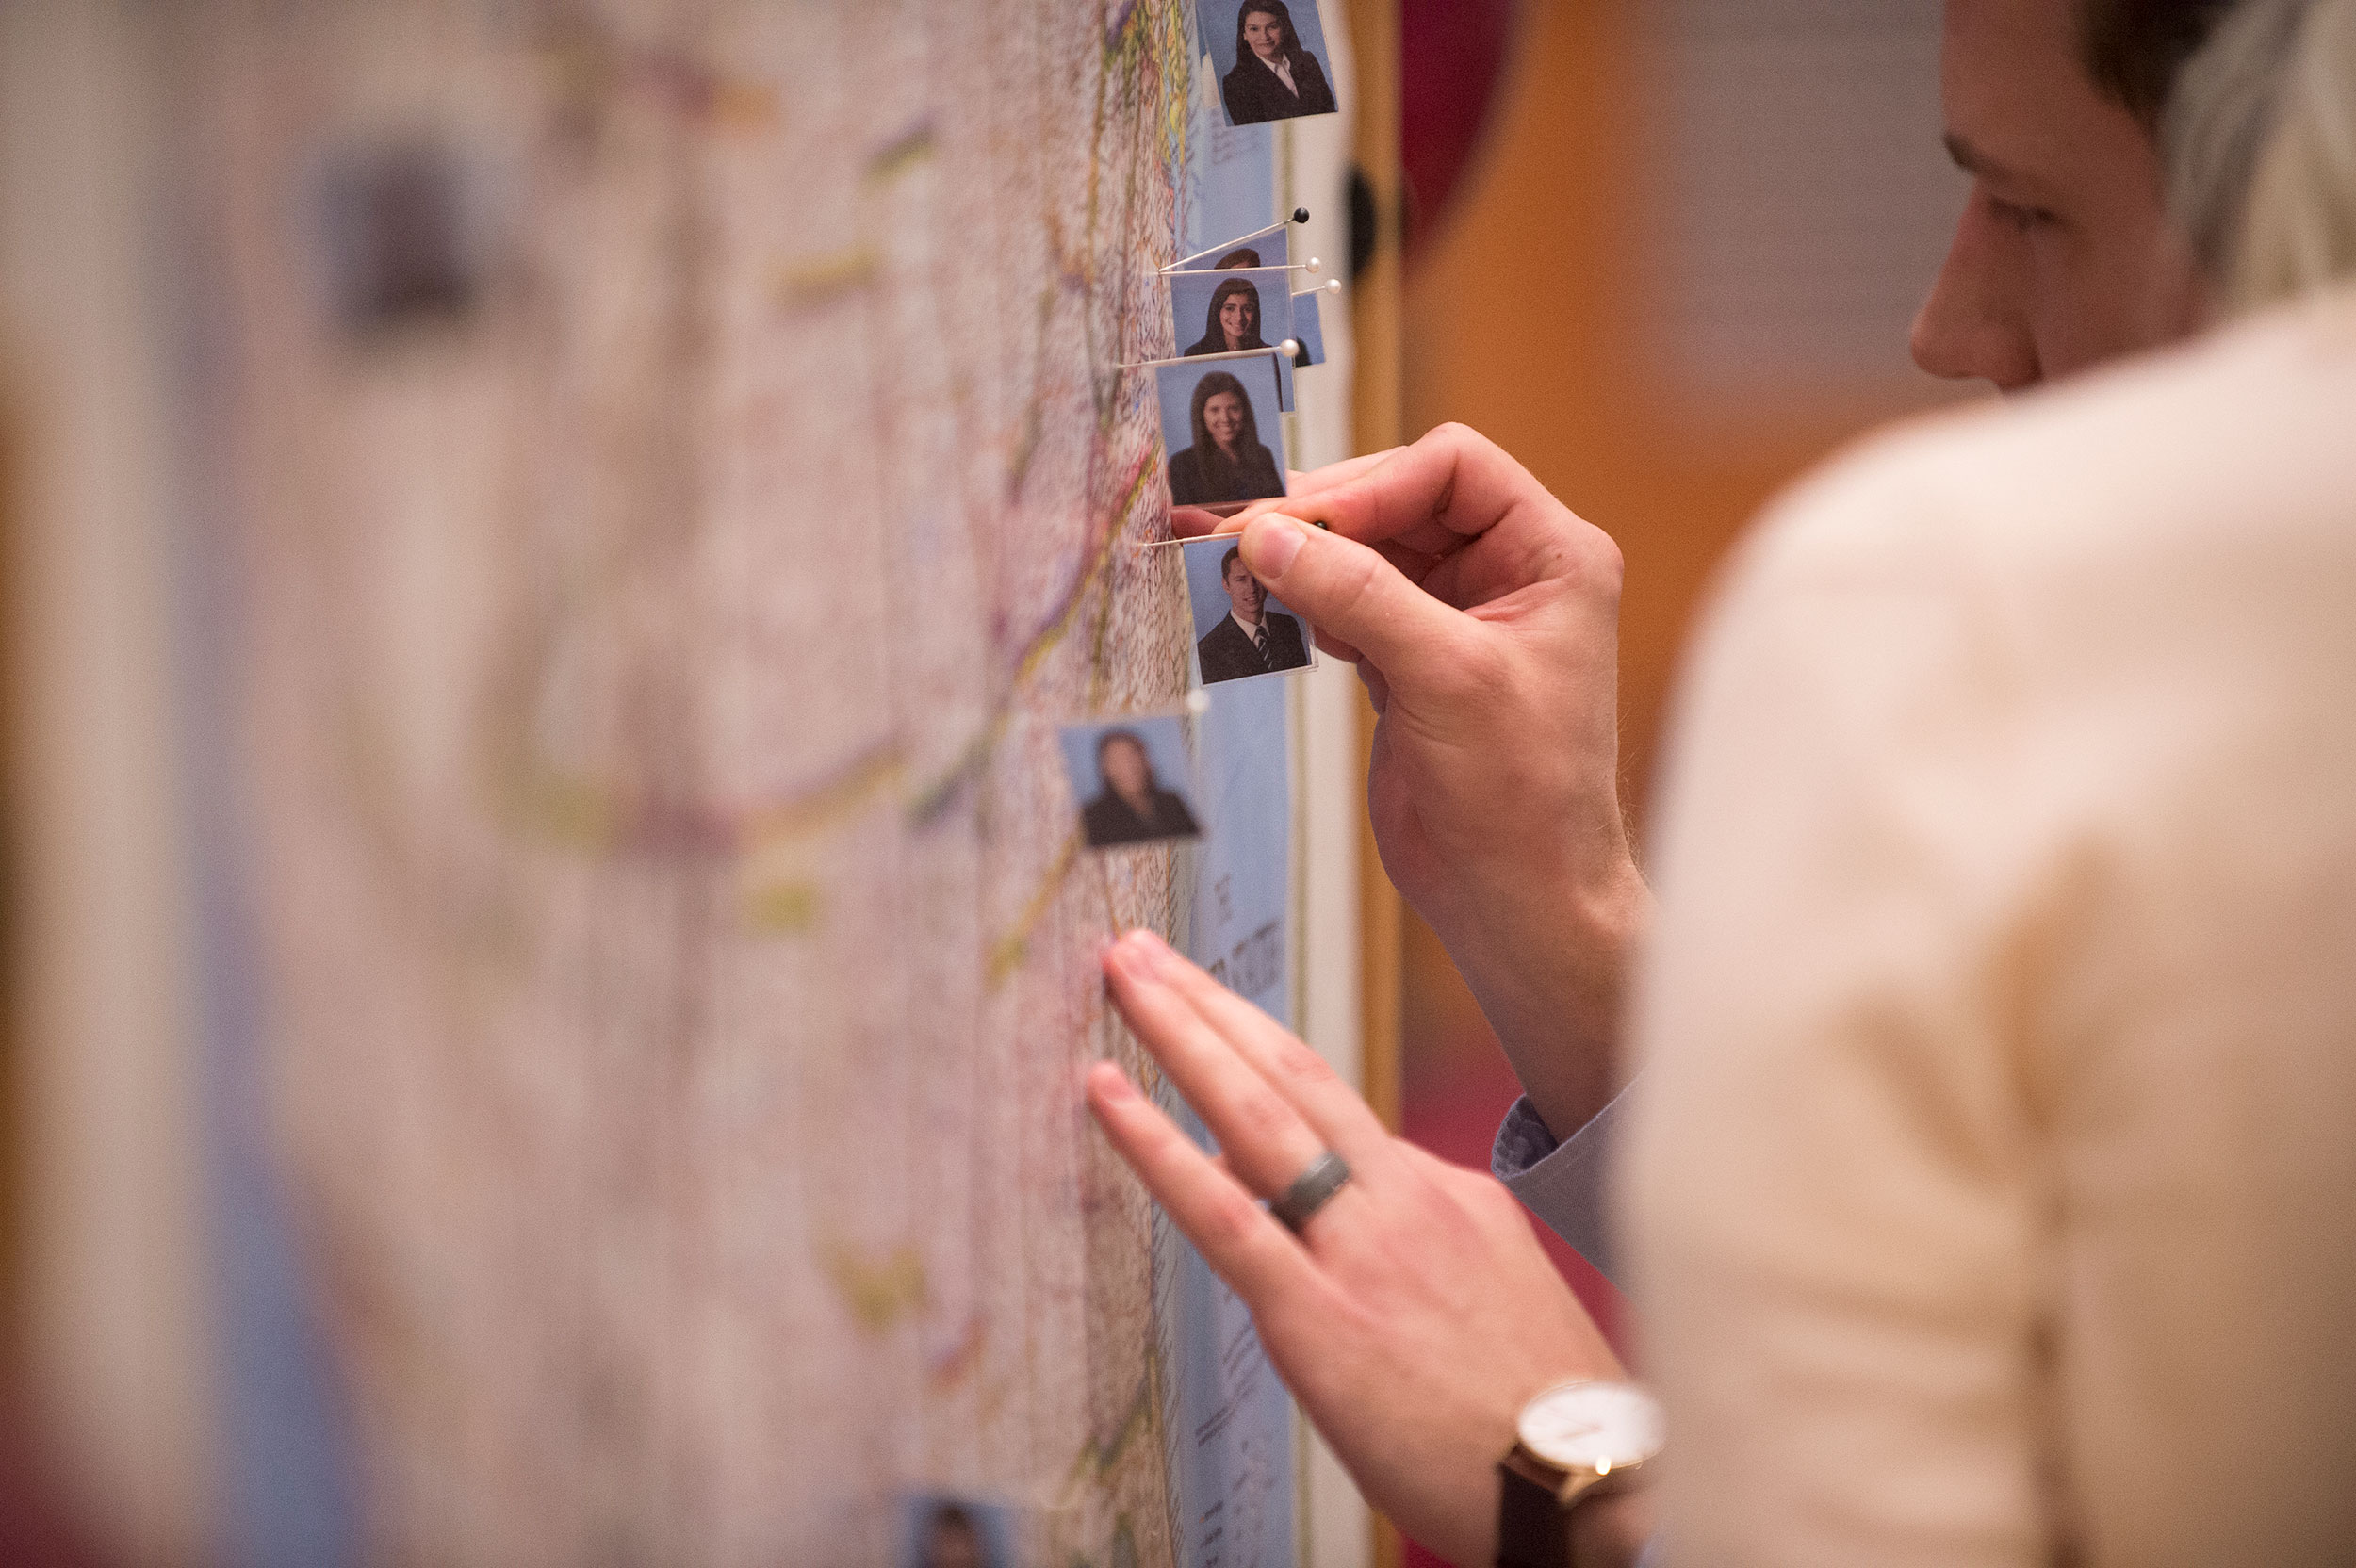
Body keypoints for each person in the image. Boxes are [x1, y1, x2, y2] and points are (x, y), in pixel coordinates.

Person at [1083, 0, 2356, 1562]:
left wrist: (1563, 1464)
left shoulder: (1939, 598)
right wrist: (1563, 906)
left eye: (2031, 207)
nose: (1949, 329)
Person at [1165, 369, 1282, 507]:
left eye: (1233, 408)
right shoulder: (1182, 464)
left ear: (1244, 411)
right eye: (1214, 410)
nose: (1225, 418)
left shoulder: (1262, 455)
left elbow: (1277, 506)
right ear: (1201, 416)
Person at [1194, 545, 1309, 684]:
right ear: (1226, 585)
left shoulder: (1288, 626)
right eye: (1241, 579)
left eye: (1257, 577)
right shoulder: (1208, 649)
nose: (1252, 588)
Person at [1219, 0, 1338, 126]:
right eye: (1254, 29)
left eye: (1272, 27)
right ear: (1244, 34)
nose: (1264, 36)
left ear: (1284, 27)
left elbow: (1329, 110)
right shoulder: (1236, 83)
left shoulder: (1308, 61)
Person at [1079, 730, 1201, 847]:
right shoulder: (1093, 816)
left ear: (1145, 760)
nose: (1128, 767)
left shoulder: (1172, 801)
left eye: (1131, 757)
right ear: (1106, 770)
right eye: (1117, 761)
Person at [1185, 276, 1269, 357]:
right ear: (1217, 311)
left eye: (1247, 309)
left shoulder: (1266, 351)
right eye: (1230, 308)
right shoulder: (1195, 353)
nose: (1239, 318)